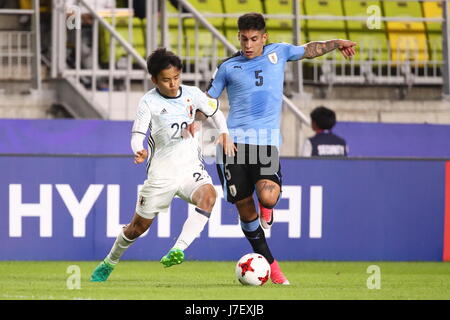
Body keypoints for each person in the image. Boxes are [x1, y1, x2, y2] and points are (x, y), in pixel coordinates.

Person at [204, 12, 356, 285]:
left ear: (264, 37)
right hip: (233, 145)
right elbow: (208, 100)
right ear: (238, 37)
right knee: (244, 208)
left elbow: (311, 49)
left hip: (265, 143)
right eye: (243, 39)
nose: (248, 45)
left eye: (253, 39)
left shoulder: (280, 52)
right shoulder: (227, 66)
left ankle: (268, 209)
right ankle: (273, 267)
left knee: (268, 198)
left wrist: (336, 42)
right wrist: (194, 123)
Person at [90, 48, 236, 282]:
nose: (173, 84)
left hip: (190, 168)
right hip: (162, 174)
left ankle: (178, 249)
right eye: (166, 80)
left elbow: (214, 110)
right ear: (154, 80)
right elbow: (137, 133)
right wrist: (138, 149)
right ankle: (110, 261)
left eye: (176, 77)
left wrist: (225, 133)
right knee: (137, 228)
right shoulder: (148, 102)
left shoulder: (192, 94)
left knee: (209, 197)